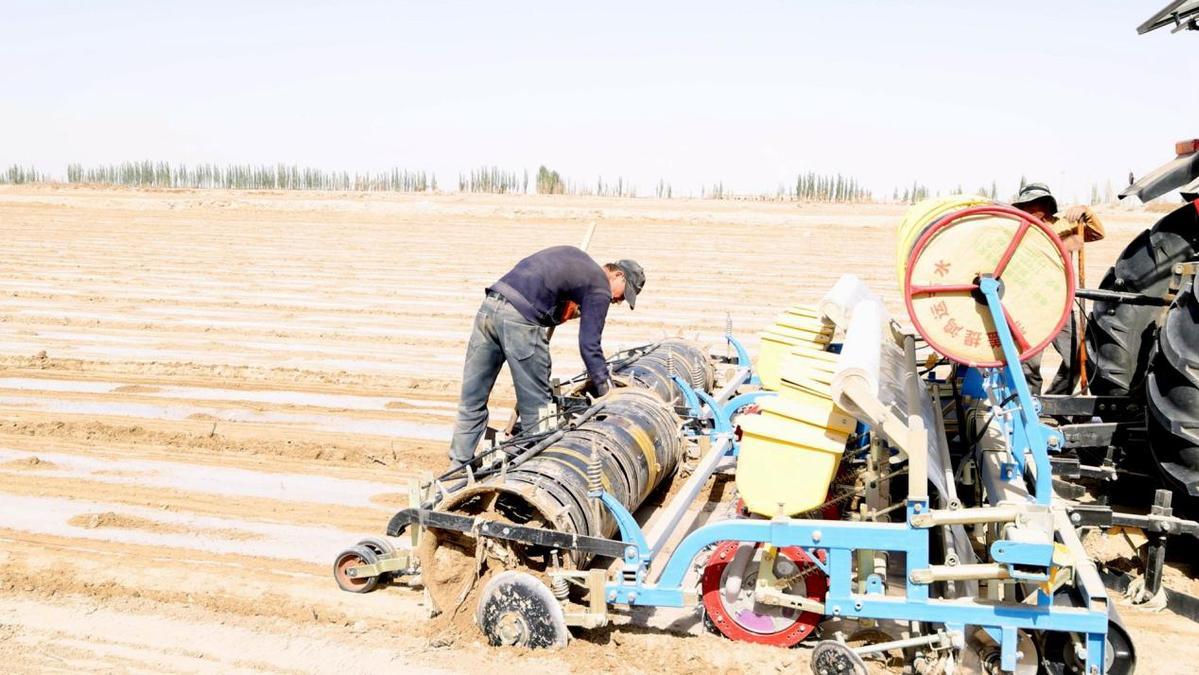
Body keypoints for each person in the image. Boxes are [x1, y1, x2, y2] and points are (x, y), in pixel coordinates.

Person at [447, 246, 645, 469]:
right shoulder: (600, 286)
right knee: (538, 410)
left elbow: (543, 286)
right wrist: (605, 389)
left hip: (490, 305)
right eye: (622, 294)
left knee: (473, 397)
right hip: (520, 321)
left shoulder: (578, 260)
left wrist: (557, 313)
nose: (616, 301)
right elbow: (589, 346)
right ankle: (534, 471)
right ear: (618, 274)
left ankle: (458, 465)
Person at [1010, 182, 1105, 395]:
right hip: (1027, 308)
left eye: (1038, 203)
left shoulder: (1065, 229)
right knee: (1029, 366)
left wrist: (1086, 213)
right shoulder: (1016, 229)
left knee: (1078, 358)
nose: (1033, 209)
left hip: (1059, 306)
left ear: (1047, 206)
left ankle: (1056, 403)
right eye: (1028, 205)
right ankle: (1031, 412)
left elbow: (1097, 233)